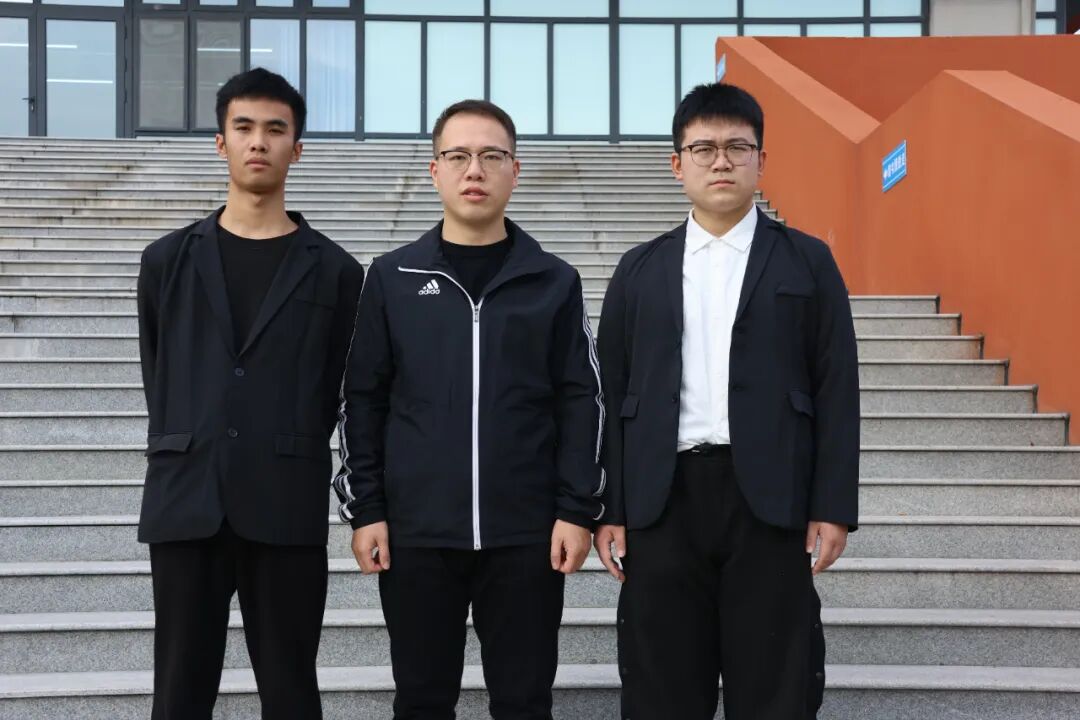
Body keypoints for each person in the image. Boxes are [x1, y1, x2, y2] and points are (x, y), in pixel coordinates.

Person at [593, 82, 860, 719]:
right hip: (664, 502)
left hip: (771, 500)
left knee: (775, 687)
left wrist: (832, 507)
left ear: (761, 160)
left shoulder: (807, 262)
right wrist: (610, 507)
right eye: (704, 148)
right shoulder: (638, 269)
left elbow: (836, 388)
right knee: (661, 689)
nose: (721, 161)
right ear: (677, 163)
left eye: (738, 147)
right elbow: (611, 394)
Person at [334, 99, 604, 720]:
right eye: (457, 156)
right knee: (422, 700)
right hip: (417, 534)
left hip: (527, 534)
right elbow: (363, 398)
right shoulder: (393, 277)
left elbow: (581, 397)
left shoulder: (553, 281)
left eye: (491, 155)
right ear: (434, 170)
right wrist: (366, 509)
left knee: (524, 701)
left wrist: (576, 509)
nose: (474, 169)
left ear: (515, 169)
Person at [136, 68, 364, 719]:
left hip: (285, 503)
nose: (258, 141)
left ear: (298, 148)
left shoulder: (338, 272)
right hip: (187, 500)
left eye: (274, 129)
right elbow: (161, 373)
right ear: (221, 142)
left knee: (291, 692)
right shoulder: (166, 261)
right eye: (243, 127)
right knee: (179, 693)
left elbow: (337, 388)